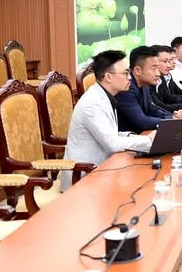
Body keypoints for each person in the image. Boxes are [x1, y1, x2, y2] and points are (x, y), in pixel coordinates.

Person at [62, 50, 153, 191]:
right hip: (83, 176)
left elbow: (111, 133)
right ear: (109, 77)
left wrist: (136, 137)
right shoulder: (93, 104)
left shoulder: (106, 95)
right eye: (125, 73)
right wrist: (149, 141)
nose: (130, 78)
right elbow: (113, 144)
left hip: (103, 168)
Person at [116, 45, 175, 132]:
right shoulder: (125, 89)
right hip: (130, 138)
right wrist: (169, 120)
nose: (158, 74)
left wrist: (171, 117)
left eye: (157, 68)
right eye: (154, 68)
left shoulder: (144, 84)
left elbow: (151, 109)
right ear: (138, 70)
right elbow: (142, 122)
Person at [150, 45, 182, 112]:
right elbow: (158, 106)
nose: (169, 65)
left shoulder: (161, 79)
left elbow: (169, 97)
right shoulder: (146, 82)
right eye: (165, 61)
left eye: (169, 61)